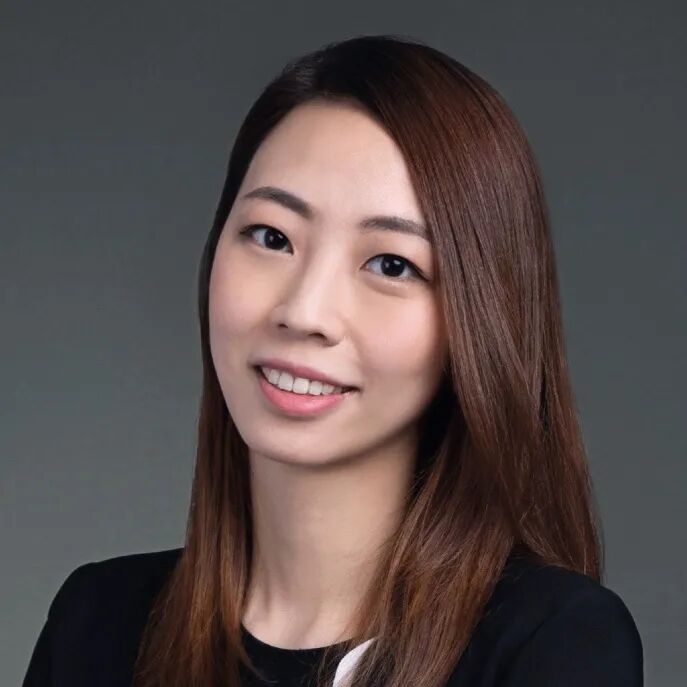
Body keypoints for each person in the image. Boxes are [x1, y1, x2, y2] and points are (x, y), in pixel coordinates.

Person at [21, 34, 644, 687]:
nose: (304, 311)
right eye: (272, 237)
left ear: (477, 317)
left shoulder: (552, 642)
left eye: (391, 265)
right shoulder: (98, 623)